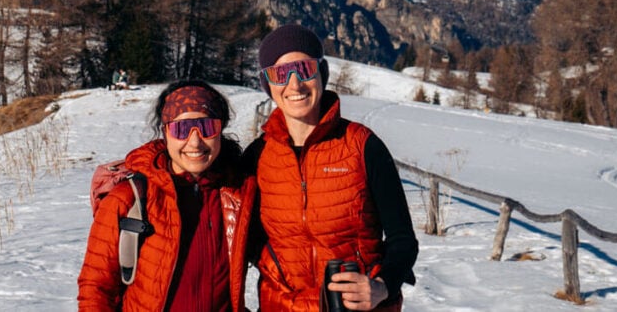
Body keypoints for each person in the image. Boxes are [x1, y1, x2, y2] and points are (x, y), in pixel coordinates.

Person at [245, 25, 418, 311]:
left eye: (304, 69)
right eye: (280, 74)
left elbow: (403, 239)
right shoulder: (258, 157)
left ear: (321, 74)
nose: (294, 84)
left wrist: (382, 286)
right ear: (268, 85)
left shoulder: (362, 146)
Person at [78, 80, 256, 311]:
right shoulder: (130, 198)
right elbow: (96, 287)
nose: (194, 142)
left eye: (206, 127)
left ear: (220, 130)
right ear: (165, 133)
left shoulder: (239, 193)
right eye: (181, 129)